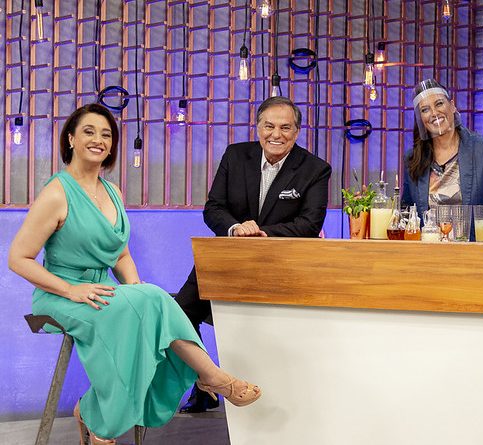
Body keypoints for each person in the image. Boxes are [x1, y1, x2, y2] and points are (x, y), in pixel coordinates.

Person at [7, 104, 261, 444]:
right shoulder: (56, 193)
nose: (98, 140)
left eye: (106, 134)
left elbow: (121, 253)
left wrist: (136, 291)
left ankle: (100, 413)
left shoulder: (113, 192)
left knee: (151, 299)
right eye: (89, 132)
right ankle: (209, 377)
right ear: (71, 139)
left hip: (101, 292)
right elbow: (18, 259)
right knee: (153, 299)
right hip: (60, 296)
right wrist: (70, 290)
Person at [176, 95, 332, 412]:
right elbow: (213, 209)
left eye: (285, 127)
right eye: (269, 126)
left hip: (279, 265)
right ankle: (205, 381)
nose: (276, 134)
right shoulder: (235, 156)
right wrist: (236, 228)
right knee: (178, 315)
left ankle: (276, 395)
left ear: (297, 131)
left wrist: (262, 233)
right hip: (225, 258)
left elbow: (310, 223)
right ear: (258, 127)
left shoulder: (315, 169)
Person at [401, 78, 483, 240]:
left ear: (452, 106)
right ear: (420, 119)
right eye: (425, 110)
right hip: (430, 249)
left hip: (474, 250)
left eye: (439, 104)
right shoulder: (412, 159)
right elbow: (407, 210)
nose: (434, 113)